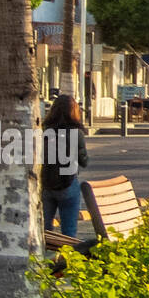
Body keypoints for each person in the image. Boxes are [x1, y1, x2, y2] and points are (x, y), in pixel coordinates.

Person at [41, 93, 89, 238]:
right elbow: (84, 162)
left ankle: (42, 256)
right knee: (68, 231)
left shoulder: (44, 131)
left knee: (44, 229)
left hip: (47, 184)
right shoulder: (76, 133)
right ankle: (66, 257)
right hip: (67, 183)